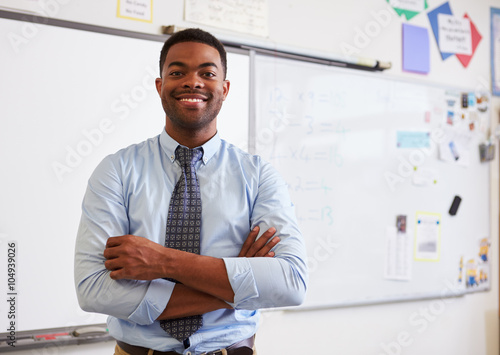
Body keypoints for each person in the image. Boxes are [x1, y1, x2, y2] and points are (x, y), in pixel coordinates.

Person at [74, 28, 308, 355]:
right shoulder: (116, 171)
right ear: (160, 86)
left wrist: (163, 262)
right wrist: (236, 281)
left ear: (224, 89)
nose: (192, 82)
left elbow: (291, 283)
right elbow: (94, 290)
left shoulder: (259, 176)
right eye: (177, 72)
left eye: (207, 73)